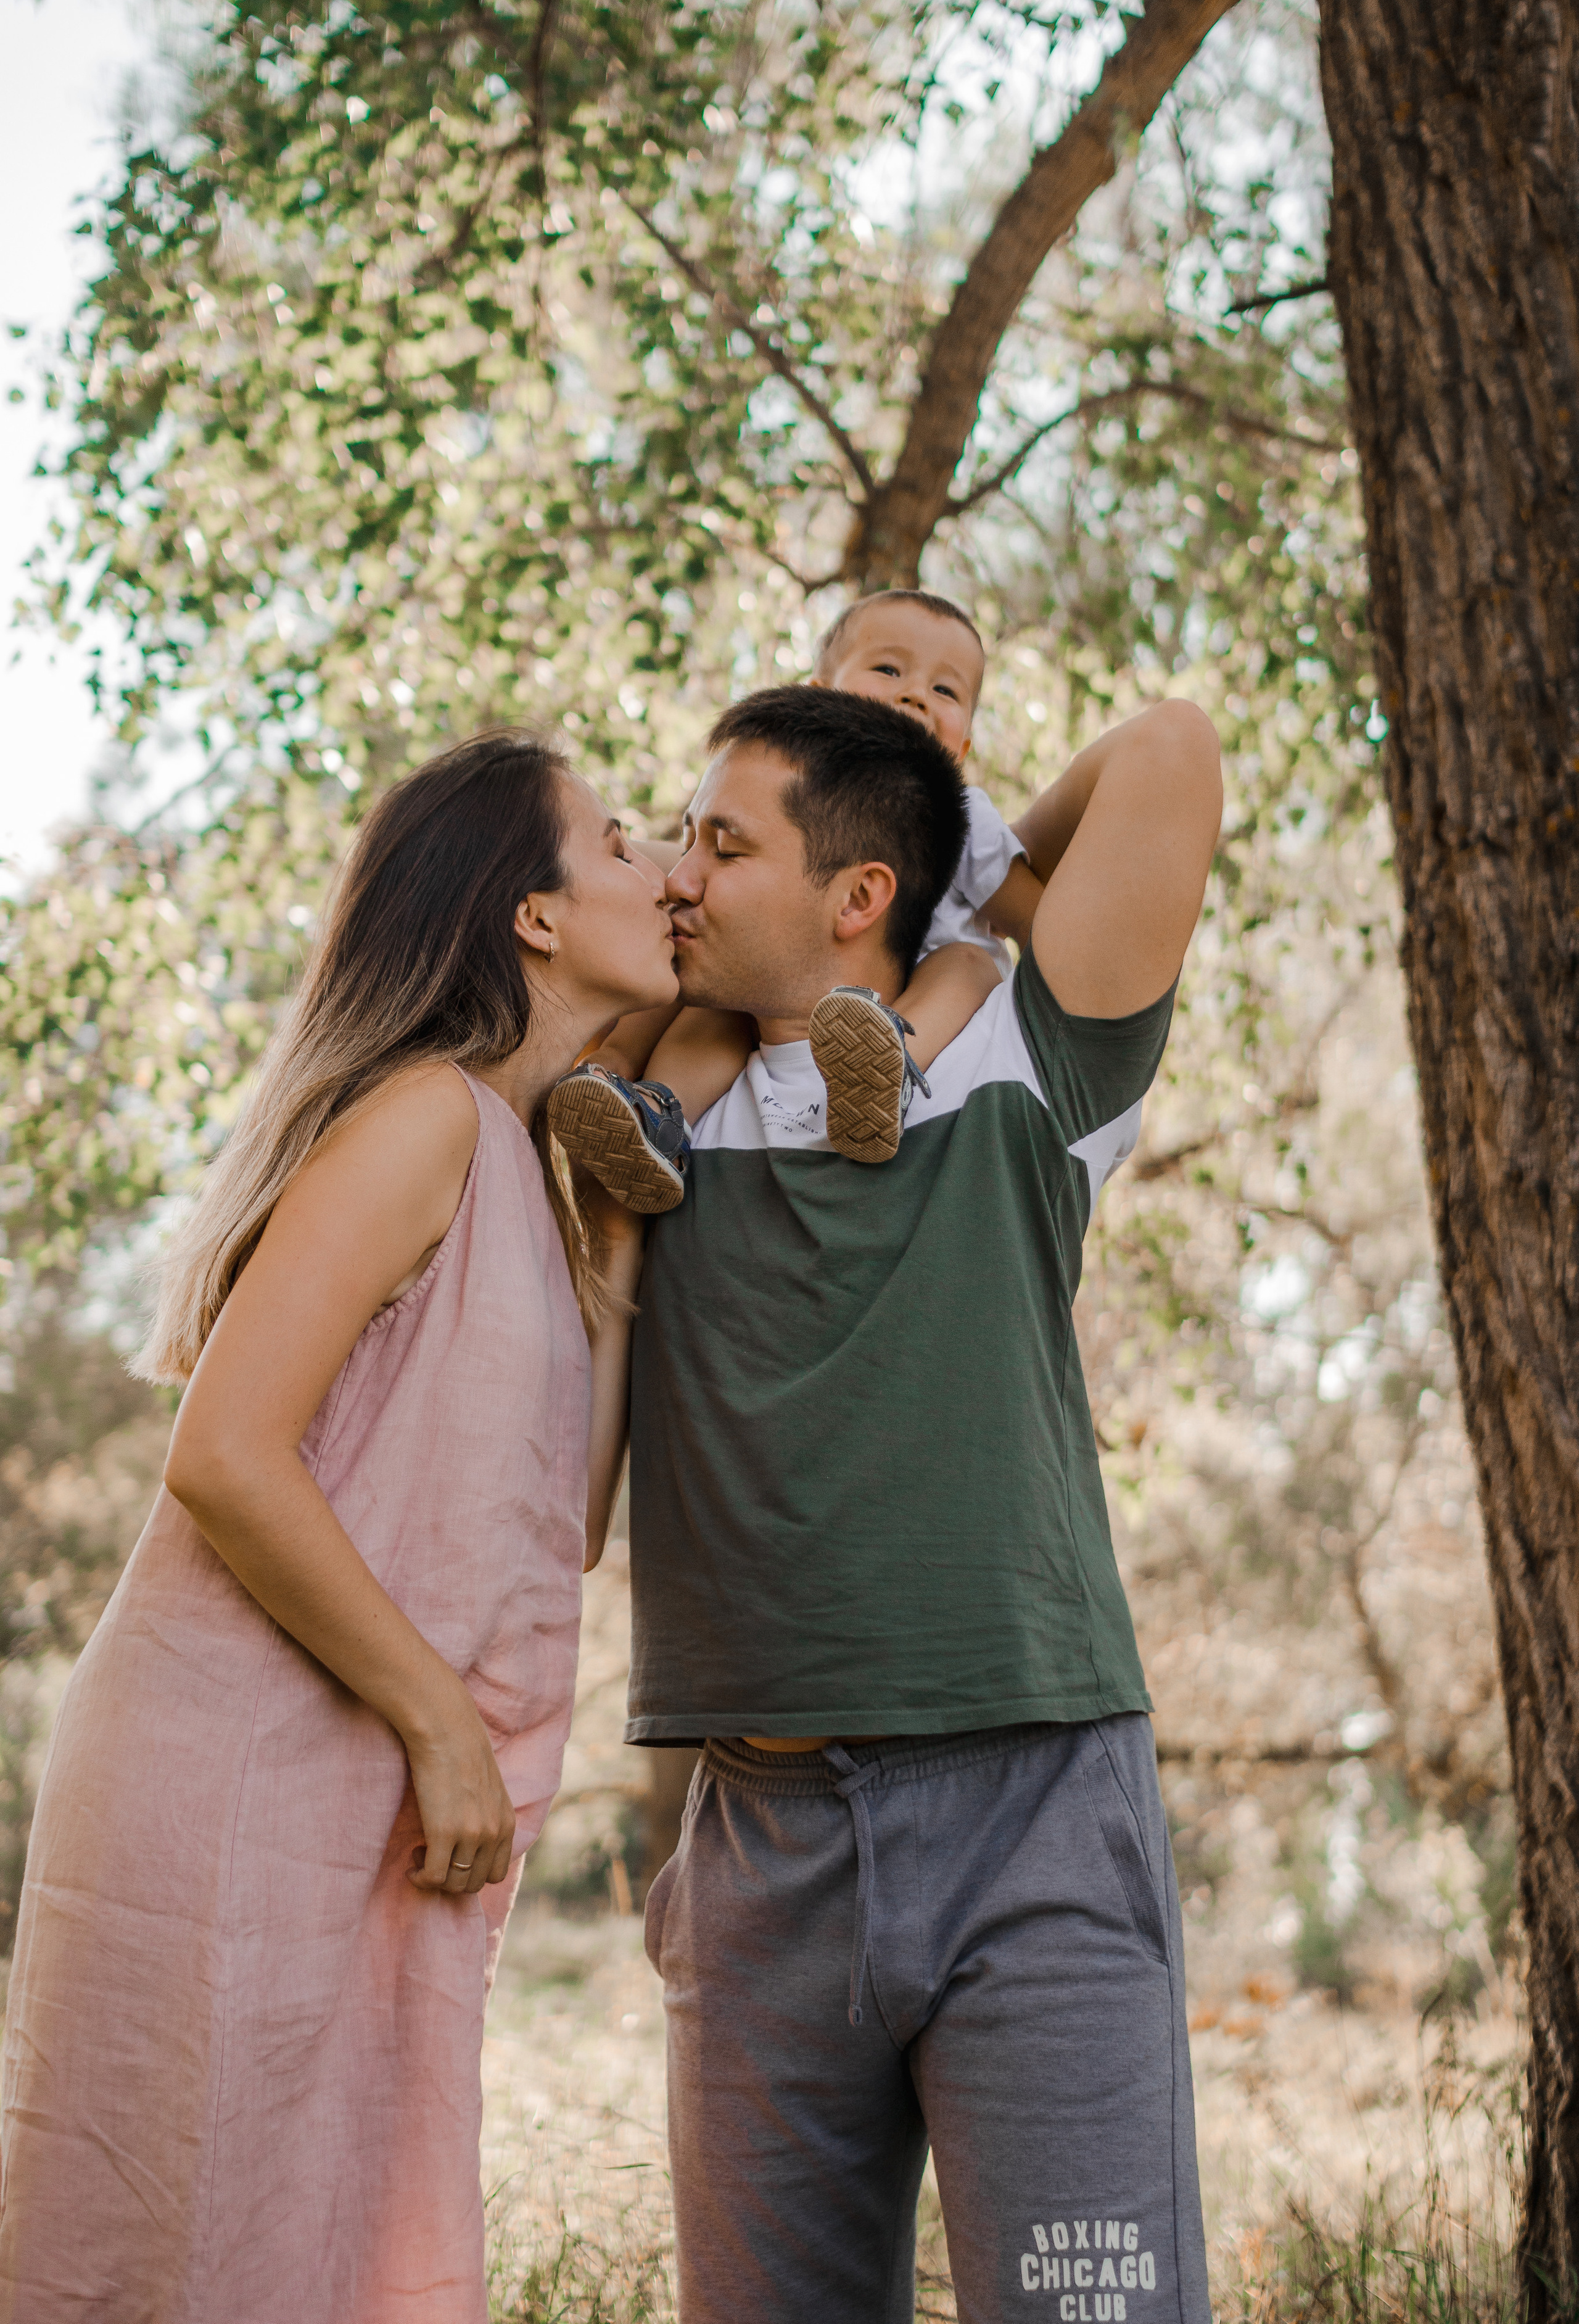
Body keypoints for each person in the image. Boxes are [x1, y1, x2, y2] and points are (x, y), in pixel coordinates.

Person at [0, 730, 667, 2324]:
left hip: (354, 1799)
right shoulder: (423, 1117)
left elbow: (555, 1529)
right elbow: (223, 1455)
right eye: (624, 839)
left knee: (323, 2248)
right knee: (196, 2249)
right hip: (232, 1777)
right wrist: (437, 1718)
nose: (666, 872)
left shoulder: (513, 1160)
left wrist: (625, 1257)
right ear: (535, 915)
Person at [625, 682, 1222, 2323]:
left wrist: (968, 866)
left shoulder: (1028, 1065)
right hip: (759, 1850)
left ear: (860, 893)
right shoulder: (651, 1112)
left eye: (722, 842)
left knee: (1091, 2307)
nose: (680, 875)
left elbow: (1168, 748)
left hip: (1034, 1827)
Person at [545, 588, 1050, 1203]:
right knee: (712, 989)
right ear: (819, 692)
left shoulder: (965, 817)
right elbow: (673, 868)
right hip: (794, 983)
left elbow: (1040, 927)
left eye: (946, 691)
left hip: (922, 976)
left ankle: (885, 1071)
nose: (916, 693)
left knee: (970, 962)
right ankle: (651, 1110)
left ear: (964, 745)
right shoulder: (778, 808)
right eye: (888, 669)